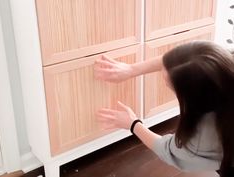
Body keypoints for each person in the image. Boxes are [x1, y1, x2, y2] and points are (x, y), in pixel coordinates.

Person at [94, 41, 234, 177]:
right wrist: (131, 69)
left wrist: (133, 124)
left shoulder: (205, 137)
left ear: (192, 97)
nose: (163, 77)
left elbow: (168, 150)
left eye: (169, 83)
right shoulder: (223, 63)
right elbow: (186, 62)